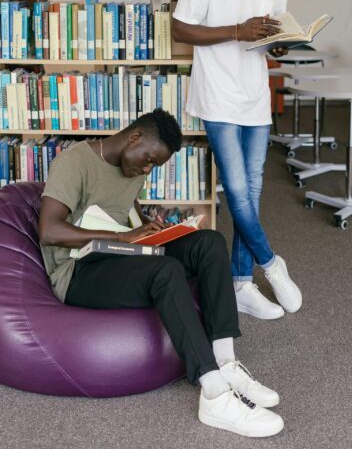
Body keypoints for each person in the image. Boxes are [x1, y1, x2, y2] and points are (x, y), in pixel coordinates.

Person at [39, 108, 284, 438]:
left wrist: (152, 231)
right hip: (78, 269)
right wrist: (121, 237)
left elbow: (124, 216)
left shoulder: (133, 166)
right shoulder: (74, 162)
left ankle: (226, 362)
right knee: (166, 271)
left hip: (119, 254)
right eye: (149, 160)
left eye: (154, 165)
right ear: (135, 137)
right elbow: (50, 230)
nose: (147, 169)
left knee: (209, 242)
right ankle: (214, 394)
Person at [172, 0, 302, 320]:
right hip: (217, 95)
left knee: (255, 189)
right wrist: (235, 31)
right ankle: (271, 263)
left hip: (254, 96)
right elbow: (179, 28)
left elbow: (269, 32)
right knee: (238, 188)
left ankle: (241, 283)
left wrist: (277, 42)